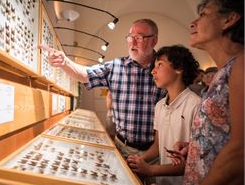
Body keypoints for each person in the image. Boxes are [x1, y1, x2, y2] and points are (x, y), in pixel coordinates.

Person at [145, 0, 244, 185]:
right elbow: (225, 137)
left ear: (229, 19)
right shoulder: (223, 74)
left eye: (203, 14)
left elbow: (241, 151)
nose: (192, 22)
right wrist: (195, 148)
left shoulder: (241, 66)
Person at [39, 19, 166, 159]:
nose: (132, 42)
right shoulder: (116, 67)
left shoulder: (165, 69)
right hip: (122, 148)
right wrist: (64, 62)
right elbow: (85, 74)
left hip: (155, 152)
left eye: (139, 38)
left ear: (154, 40)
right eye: (130, 37)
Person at [127, 45, 201, 185]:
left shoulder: (196, 105)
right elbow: (157, 146)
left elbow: (195, 161)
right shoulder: (160, 105)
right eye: (154, 66)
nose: (153, 71)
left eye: (160, 65)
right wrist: (139, 161)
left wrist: (150, 170)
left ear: (178, 69)